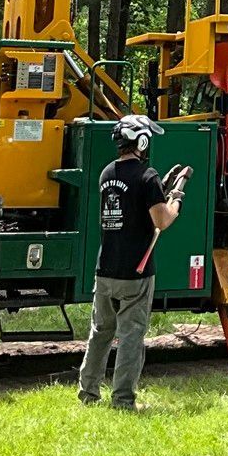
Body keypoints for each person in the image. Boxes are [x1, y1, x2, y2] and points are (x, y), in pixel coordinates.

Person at [77, 114, 192, 411]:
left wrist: (159, 189)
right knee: (130, 338)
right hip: (135, 274)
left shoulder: (107, 174)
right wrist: (176, 199)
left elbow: (131, 206)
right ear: (141, 141)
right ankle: (123, 400)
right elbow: (161, 220)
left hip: (106, 269)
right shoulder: (147, 176)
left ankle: (88, 393)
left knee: (100, 333)